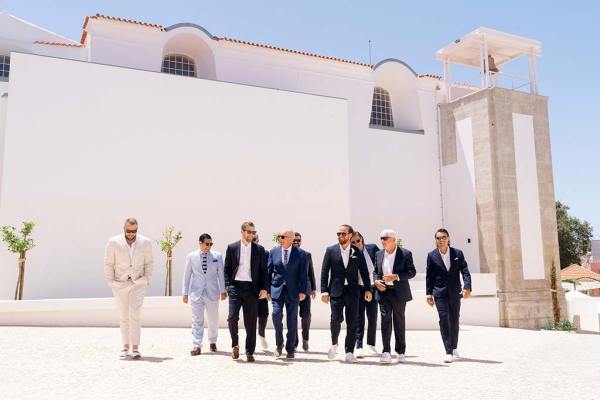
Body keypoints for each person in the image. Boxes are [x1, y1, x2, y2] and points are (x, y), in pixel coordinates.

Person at [320, 224, 372, 363]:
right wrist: (324, 291)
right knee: (335, 319)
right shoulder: (330, 250)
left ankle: (349, 351)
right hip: (336, 291)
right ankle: (334, 344)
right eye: (338, 234)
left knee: (353, 322)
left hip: (353, 291)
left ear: (350, 235)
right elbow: (325, 272)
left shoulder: (357, 251)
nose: (340, 236)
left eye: (343, 234)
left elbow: (365, 272)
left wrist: (368, 289)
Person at [104, 218, 153, 360]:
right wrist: (110, 282)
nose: (131, 234)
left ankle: (135, 347)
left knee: (135, 313)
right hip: (120, 283)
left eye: (134, 231)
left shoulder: (145, 242)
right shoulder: (113, 242)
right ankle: (125, 346)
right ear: (123, 228)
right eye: (129, 231)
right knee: (123, 314)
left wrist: (146, 279)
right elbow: (108, 263)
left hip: (138, 283)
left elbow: (149, 263)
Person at [426, 228, 472, 363]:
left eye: (444, 237)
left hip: (455, 292)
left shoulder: (458, 253)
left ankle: (454, 347)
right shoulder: (431, 255)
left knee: (454, 320)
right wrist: (428, 294)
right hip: (439, 292)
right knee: (444, 319)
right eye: (439, 238)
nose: (441, 240)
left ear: (448, 238)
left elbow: (465, 271)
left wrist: (467, 287)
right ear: (436, 240)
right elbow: (430, 276)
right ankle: (448, 351)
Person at [224, 221, 268, 362]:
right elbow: (227, 269)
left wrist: (264, 288)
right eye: (249, 232)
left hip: (251, 289)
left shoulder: (259, 250)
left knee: (250, 322)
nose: (251, 234)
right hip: (235, 288)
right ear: (242, 232)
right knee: (232, 318)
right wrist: (228, 286)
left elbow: (263, 272)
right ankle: (235, 345)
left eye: (253, 232)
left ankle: (250, 351)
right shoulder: (232, 248)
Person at [373, 229, 416, 364]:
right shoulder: (378, 254)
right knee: (385, 321)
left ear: (393, 239)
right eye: (381, 238)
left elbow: (411, 272)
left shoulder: (405, 254)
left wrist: (396, 276)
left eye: (385, 238)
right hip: (384, 292)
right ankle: (386, 351)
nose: (382, 241)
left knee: (399, 322)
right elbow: (375, 271)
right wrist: (375, 281)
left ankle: (401, 352)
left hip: (399, 293)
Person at [182, 233, 227, 356]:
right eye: (207, 244)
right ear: (200, 243)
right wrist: (185, 293)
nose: (209, 246)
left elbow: (221, 275)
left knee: (213, 319)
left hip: (213, 292)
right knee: (197, 320)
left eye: (211, 244)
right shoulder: (191, 257)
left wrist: (223, 290)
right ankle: (197, 345)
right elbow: (187, 276)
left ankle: (212, 341)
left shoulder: (217, 256)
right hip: (196, 292)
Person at [267, 229, 308, 358]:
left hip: (293, 291)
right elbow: (268, 272)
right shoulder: (273, 252)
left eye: (283, 236)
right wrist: (267, 290)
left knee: (292, 320)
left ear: (291, 238)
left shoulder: (302, 254)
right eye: (279, 236)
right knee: (276, 315)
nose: (280, 238)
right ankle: (279, 345)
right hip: (277, 290)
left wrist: (303, 291)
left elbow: (303, 274)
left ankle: (290, 349)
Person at [351, 231, 379, 358]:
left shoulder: (372, 248)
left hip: (373, 288)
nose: (357, 243)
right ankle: (359, 345)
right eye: (354, 242)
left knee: (372, 316)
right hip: (359, 289)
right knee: (359, 317)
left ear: (362, 238)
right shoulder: (351, 255)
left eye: (359, 240)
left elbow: (380, 263)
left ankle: (371, 345)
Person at [293, 232, 316, 351]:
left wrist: (313, 288)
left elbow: (310, 271)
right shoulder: (287, 254)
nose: (296, 242)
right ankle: (294, 342)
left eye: (298, 240)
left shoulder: (307, 254)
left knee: (306, 315)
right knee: (293, 317)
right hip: (292, 290)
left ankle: (305, 338)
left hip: (305, 289)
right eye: (294, 240)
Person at [253, 233, 270, 351]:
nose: (253, 241)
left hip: (262, 289)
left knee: (264, 314)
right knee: (251, 315)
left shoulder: (265, 253)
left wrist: (268, 290)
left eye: (255, 239)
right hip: (248, 289)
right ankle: (251, 340)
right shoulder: (244, 253)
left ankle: (261, 334)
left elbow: (268, 273)